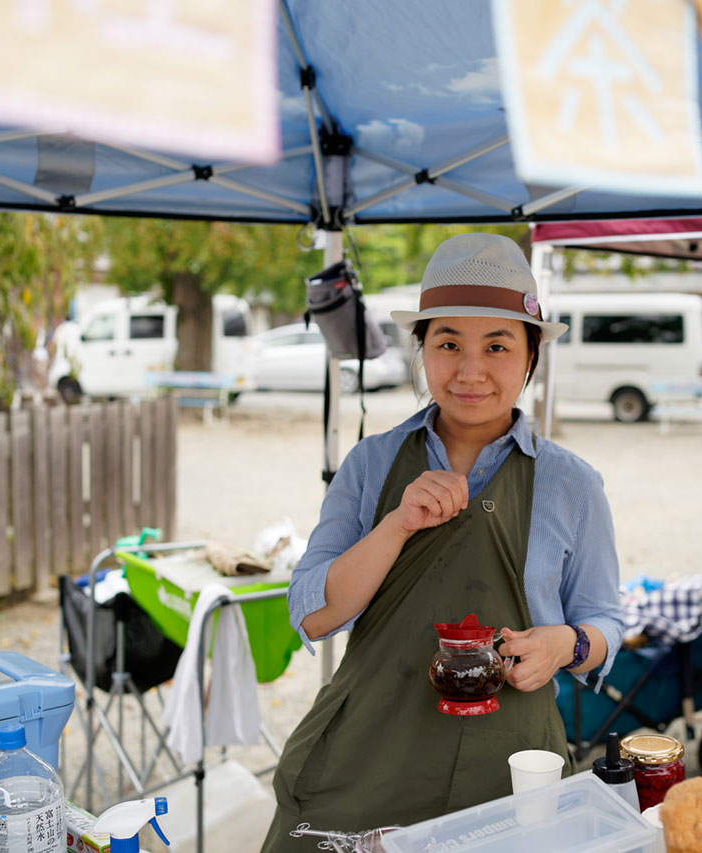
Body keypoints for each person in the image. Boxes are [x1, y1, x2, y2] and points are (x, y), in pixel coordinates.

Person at [262, 234, 627, 849]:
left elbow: (606, 623)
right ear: (422, 348)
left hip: (511, 771)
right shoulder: (370, 464)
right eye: (448, 342)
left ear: (531, 356)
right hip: (367, 756)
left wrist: (567, 642)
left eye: (497, 345)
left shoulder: (574, 485)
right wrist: (396, 525)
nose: (470, 370)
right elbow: (314, 614)